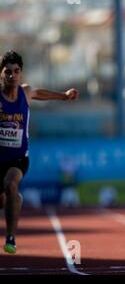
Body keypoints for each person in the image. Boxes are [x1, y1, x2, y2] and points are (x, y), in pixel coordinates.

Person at [0, 50, 79, 254]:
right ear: (1, 74)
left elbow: (40, 93)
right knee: (4, 199)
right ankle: (14, 201)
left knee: (10, 184)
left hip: (18, 158)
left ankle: (10, 237)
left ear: (21, 73)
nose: (12, 75)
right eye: (7, 72)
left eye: (16, 71)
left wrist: (64, 96)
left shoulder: (25, 93)